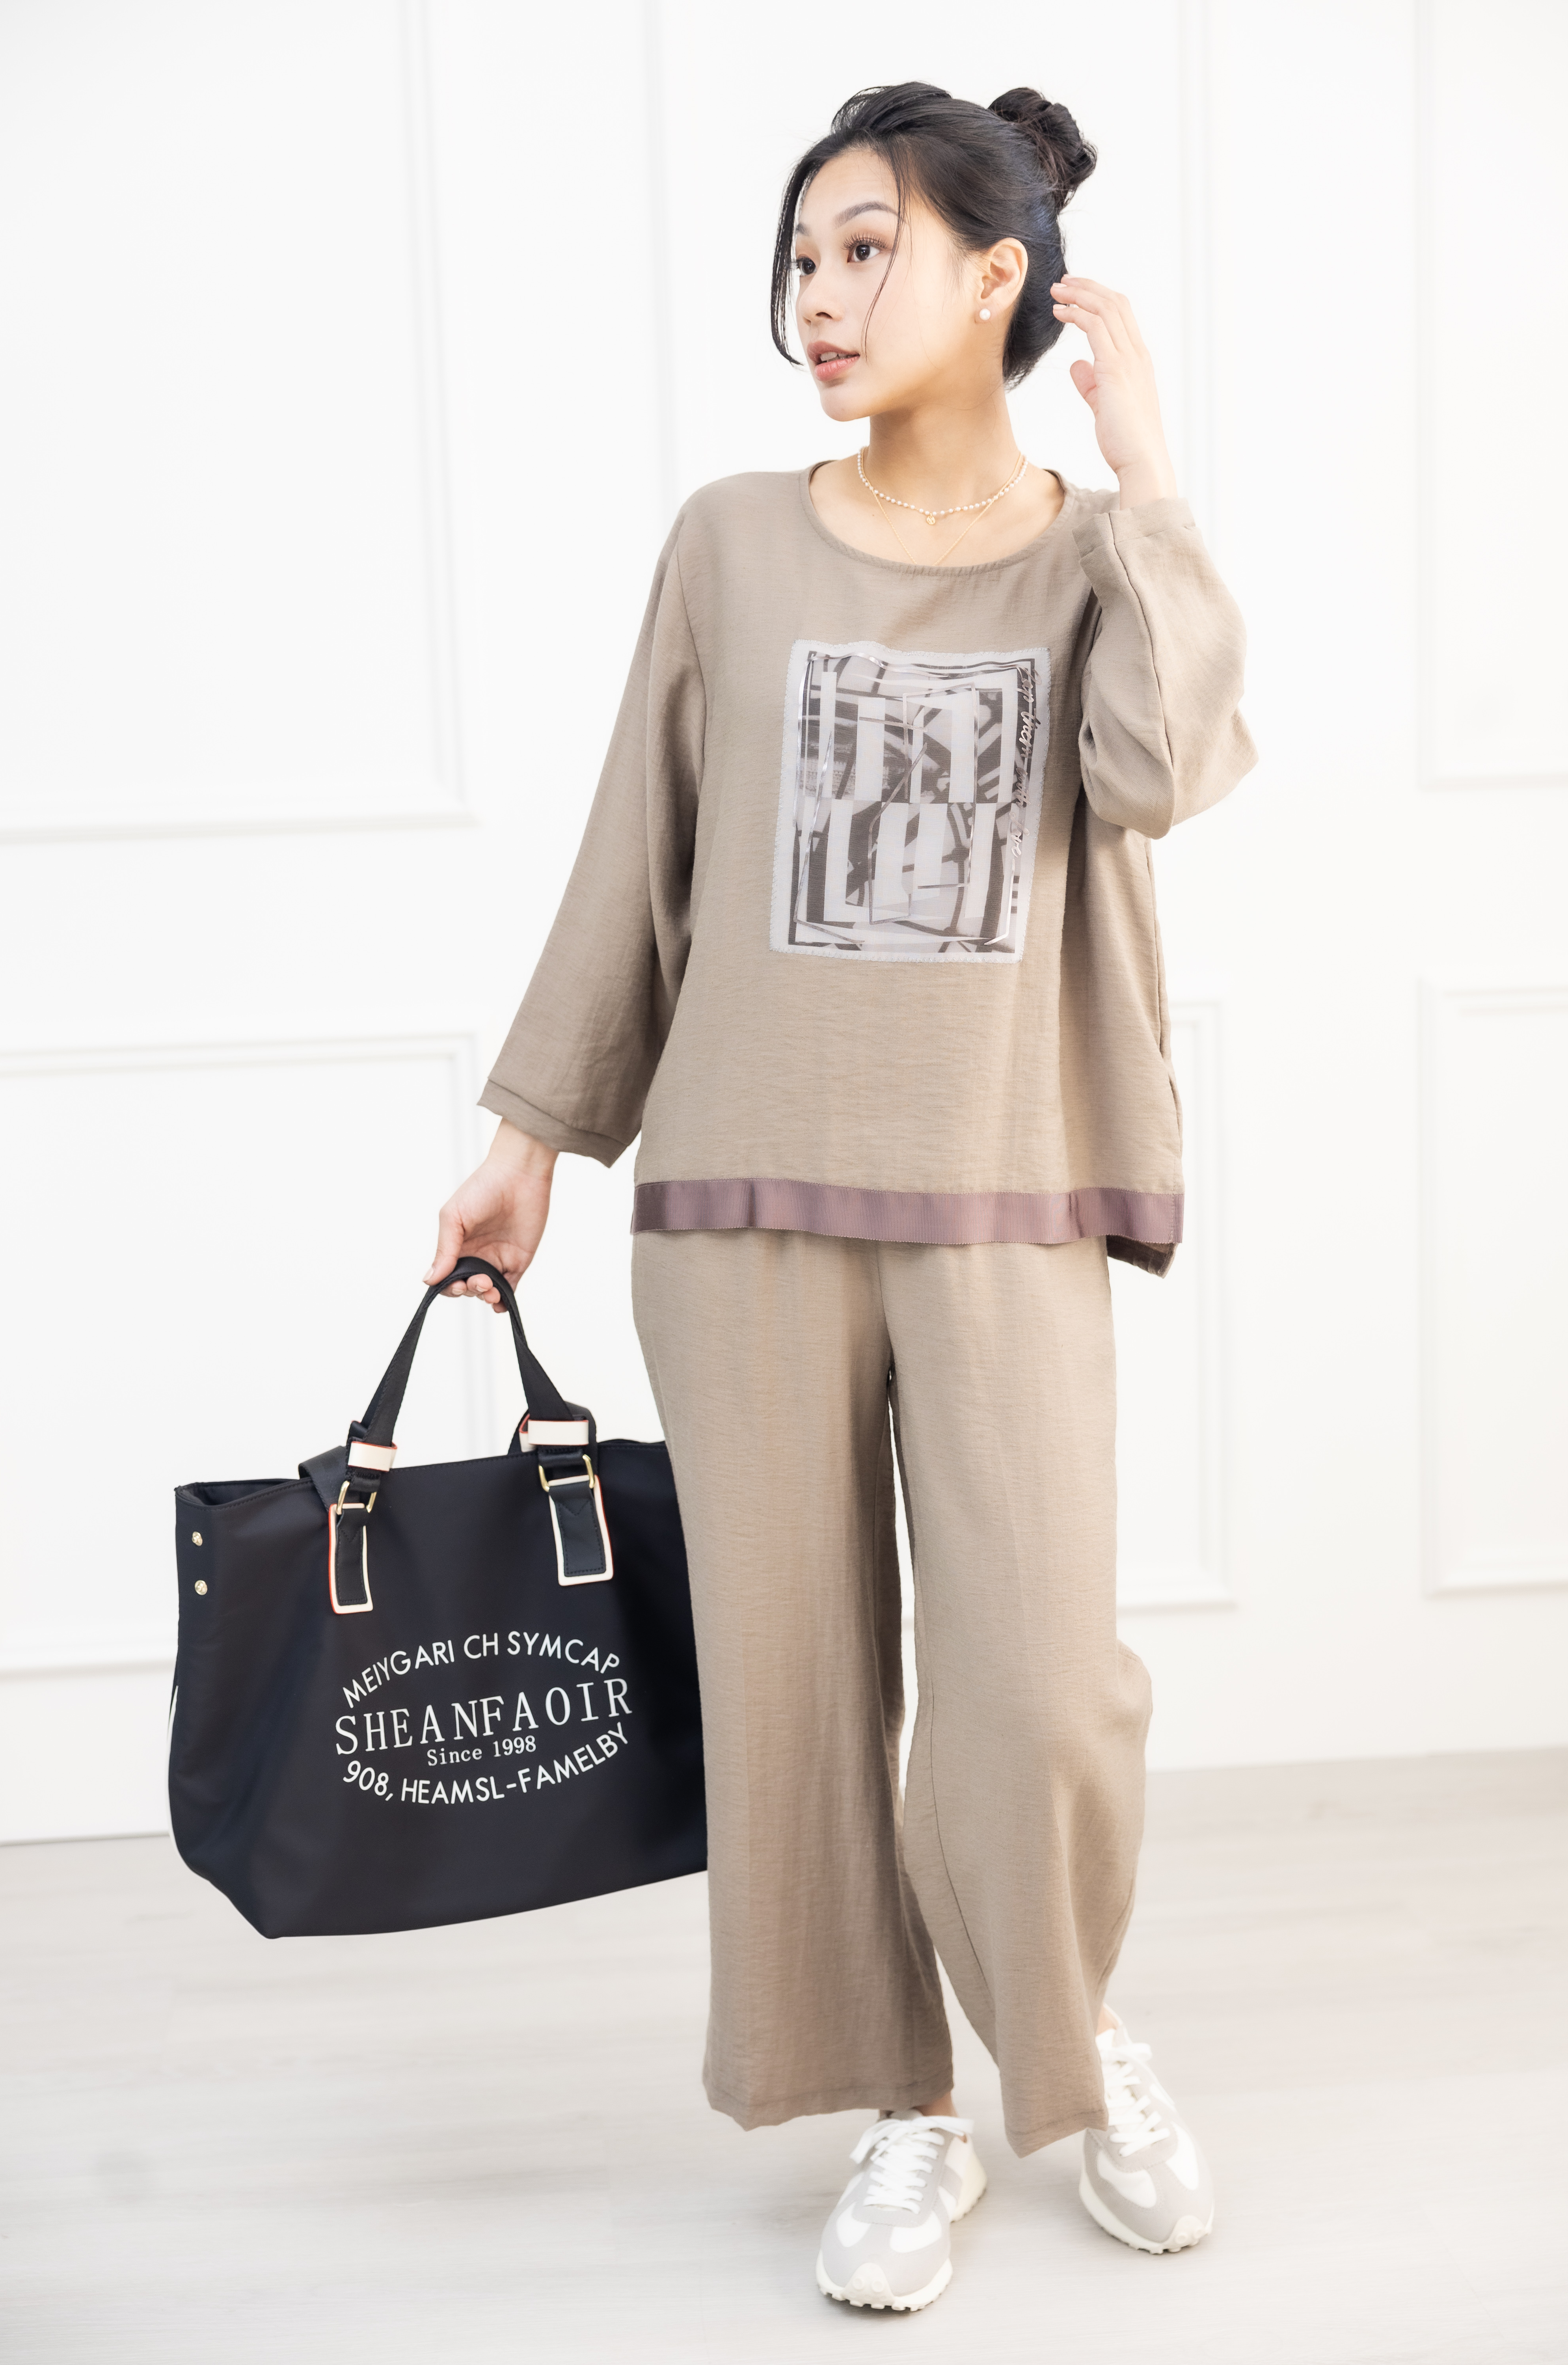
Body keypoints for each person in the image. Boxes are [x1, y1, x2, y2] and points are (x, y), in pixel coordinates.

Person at [427, 80, 1255, 2313]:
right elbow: (636, 849)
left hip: (1005, 1195)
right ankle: (902, 2108)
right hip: (745, 1205)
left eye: (868, 250)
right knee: (796, 1688)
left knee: (1041, 1684)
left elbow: (1171, 768)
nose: (820, 297)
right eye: (803, 256)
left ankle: (1072, 2045)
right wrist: (529, 1132)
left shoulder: (1088, 558)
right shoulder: (731, 540)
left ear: (1002, 277)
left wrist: (1151, 477)